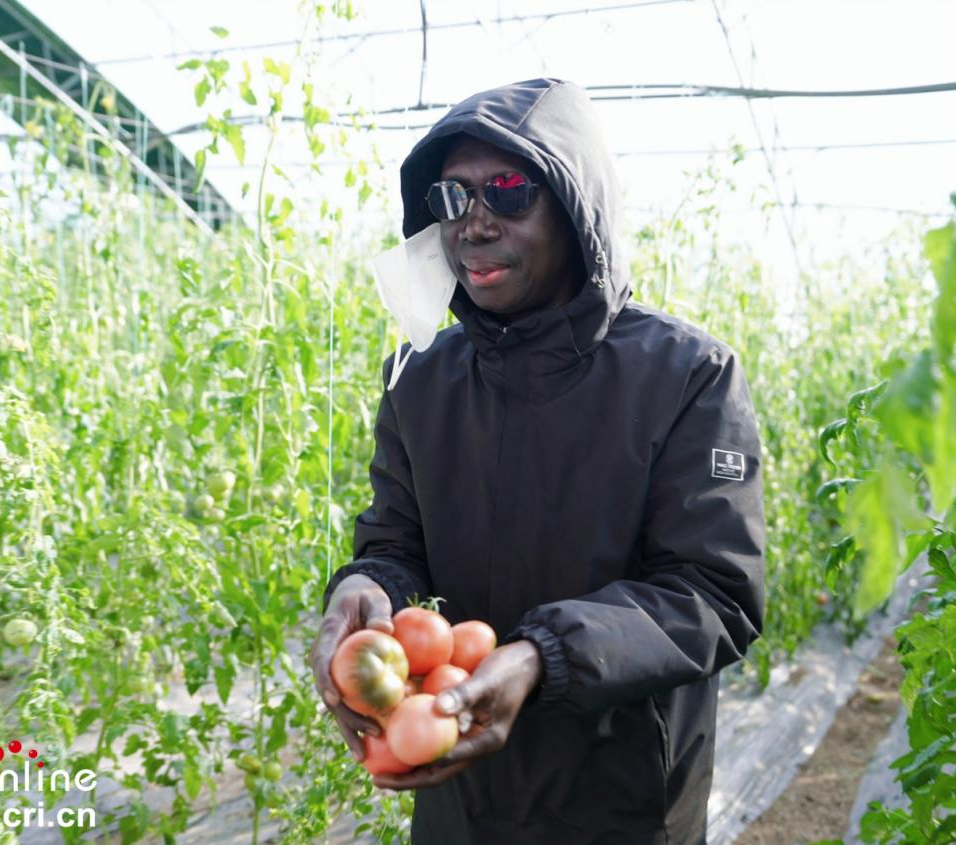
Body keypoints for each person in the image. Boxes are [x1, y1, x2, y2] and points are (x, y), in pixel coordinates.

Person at [311, 78, 765, 845]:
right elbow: (395, 541)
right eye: (451, 200)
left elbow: (713, 591)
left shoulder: (686, 374)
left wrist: (542, 657)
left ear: (574, 206)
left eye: (509, 192)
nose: (474, 225)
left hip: (619, 793)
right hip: (458, 781)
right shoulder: (419, 378)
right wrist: (367, 585)